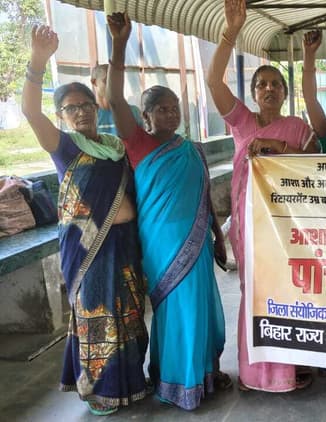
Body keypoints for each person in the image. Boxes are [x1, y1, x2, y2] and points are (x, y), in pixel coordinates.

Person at [21, 25, 149, 416]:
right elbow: (30, 111)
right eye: (70, 108)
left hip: (124, 247)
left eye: (85, 105)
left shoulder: (113, 146)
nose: (80, 112)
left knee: (128, 316)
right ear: (61, 115)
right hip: (87, 252)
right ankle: (100, 392)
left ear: (96, 107)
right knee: (97, 319)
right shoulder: (64, 147)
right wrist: (38, 61)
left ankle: (131, 384)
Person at [106, 12, 230, 411]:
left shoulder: (192, 150)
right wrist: (120, 45)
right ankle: (177, 382)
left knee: (200, 308)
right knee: (176, 310)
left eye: (174, 107)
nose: (171, 113)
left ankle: (203, 374)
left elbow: (205, 198)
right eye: (161, 108)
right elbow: (114, 99)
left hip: (199, 243)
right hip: (162, 246)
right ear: (145, 116)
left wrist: (219, 237)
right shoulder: (139, 144)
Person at [207, 0, 316, 393]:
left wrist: (278, 147)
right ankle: (255, 374)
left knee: (285, 289)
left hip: (285, 224)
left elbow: (312, 164)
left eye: (276, 84)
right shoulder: (242, 120)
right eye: (262, 84)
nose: (269, 89)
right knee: (255, 290)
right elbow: (214, 82)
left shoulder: (296, 127)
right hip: (250, 221)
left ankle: (286, 369)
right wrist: (231, 32)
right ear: (253, 93)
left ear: (285, 92)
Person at [90, 63, 142, 135]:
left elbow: (142, 139)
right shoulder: (89, 115)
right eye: (106, 81)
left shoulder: (133, 112)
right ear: (94, 82)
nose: (112, 85)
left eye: (116, 81)